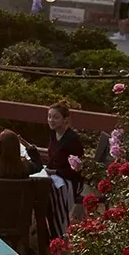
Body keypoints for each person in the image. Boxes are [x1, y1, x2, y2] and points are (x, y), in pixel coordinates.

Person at [40, 100, 84, 238]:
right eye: (49, 117)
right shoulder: (54, 134)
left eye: (55, 117)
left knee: (52, 189)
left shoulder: (72, 140)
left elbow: (76, 169)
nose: (51, 120)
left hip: (71, 179)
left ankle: (60, 232)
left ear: (65, 119)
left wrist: (55, 172)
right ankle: (45, 227)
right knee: (39, 186)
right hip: (56, 175)